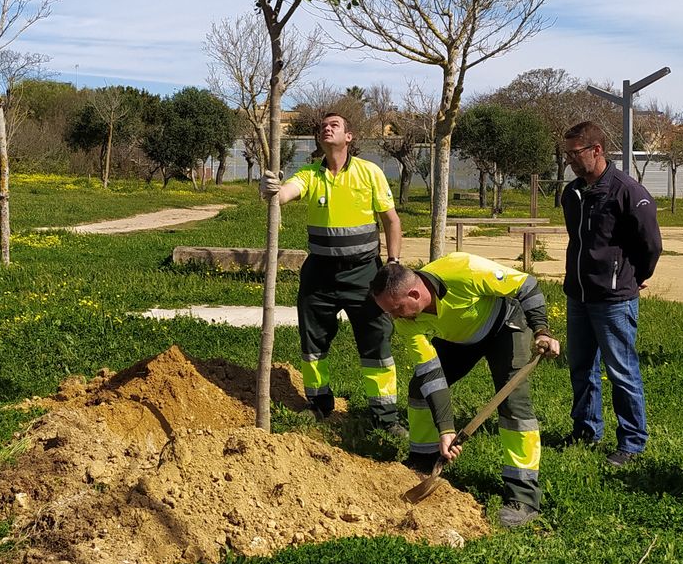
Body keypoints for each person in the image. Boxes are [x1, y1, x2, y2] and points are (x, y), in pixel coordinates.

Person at [370, 253, 559, 528]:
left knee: (514, 405)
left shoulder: (463, 270)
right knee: (420, 389)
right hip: (460, 338)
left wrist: (542, 330)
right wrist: (446, 429)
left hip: (504, 325)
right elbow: (431, 375)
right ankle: (422, 462)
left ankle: (523, 496)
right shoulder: (405, 321)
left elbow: (526, 285)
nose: (393, 316)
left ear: (414, 293)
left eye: (396, 308)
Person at [263, 112, 405, 436]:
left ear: (349, 137)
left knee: (376, 342)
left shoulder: (370, 173)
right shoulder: (311, 175)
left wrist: (394, 263)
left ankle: (385, 417)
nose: (327, 128)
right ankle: (318, 404)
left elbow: (391, 220)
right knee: (313, 343)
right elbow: (284, 194)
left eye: (335, 125)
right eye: (323, 126)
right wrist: (271, 189)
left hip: (364, 274)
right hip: (320, 276)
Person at [559, 120, 662, 467]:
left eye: (576, 154)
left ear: (597, 150)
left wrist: (637, 276)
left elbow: (651, 243)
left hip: (613, 300)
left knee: (622, 371)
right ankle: (587, 431)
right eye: (567, 154)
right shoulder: (571, 193)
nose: (570, 161)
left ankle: (632, 443)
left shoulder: (627, 190)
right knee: (582, 368)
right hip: (578, 295)